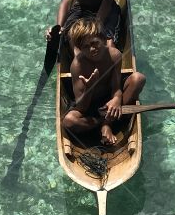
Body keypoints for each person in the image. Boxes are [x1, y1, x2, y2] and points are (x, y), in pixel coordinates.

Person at [61, 18, 145, 147]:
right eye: (86, 47)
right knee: (69, 121)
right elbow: (81, 106)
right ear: (80, 49)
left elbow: (116, 87)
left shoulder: (114, 55)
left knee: (138, 78)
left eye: (95, 43)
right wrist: (90, 87)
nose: (92, 49)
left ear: (104, 39)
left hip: (109, 100)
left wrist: (116, 99)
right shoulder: (77, 65)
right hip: (89, 108)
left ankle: (107, 123)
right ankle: (103, 123)